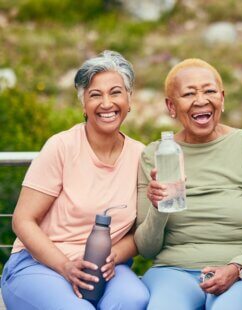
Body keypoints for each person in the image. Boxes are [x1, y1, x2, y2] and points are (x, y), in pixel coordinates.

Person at [1, 51, 149, 309]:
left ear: (129, 99)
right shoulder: (62, 146)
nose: (106, 103)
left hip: (105, 268)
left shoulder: (142, 155)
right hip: (39, 264)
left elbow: (141, 232)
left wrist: (115, 256)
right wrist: (65, 265)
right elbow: (23, 220)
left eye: (115, 92)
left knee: (134, 299)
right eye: (95, 95)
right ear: (83, 104)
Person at [135, 58, 242, 309]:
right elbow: (146, 249)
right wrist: (158, 208)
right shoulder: (154, 154)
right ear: (171, 106)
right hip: (174, 272)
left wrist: (237, 268)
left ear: (222, 99)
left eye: (209, 91)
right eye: (189, 94)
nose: (201, 100)